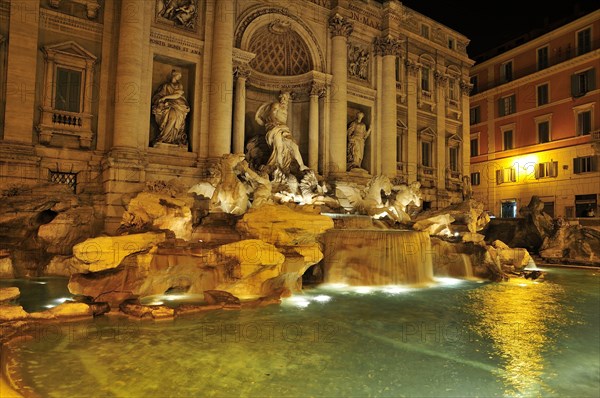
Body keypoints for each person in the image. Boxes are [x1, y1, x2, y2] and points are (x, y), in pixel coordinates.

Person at [255, 92, 308, 175]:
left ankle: (302, 165)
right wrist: (274, 123)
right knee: (278, 148)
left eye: (286, 98)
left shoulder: (285, 108)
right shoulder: (276, 105)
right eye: (283, 98)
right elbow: (272, 114)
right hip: (275, 128)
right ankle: (279, 167)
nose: (284, 100)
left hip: (284, 129)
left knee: (294, 146)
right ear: (280, 99)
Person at [151, 70, 190, 147]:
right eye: (178, 76)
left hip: (178, 106)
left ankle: (174, 138)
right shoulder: (166, 86)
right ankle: (164, 137)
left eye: (180, 77)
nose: (179, 78)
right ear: (174, 75)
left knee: (176, 118)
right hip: (168, 106)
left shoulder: (179, 85)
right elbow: (158, 96)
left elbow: (178, 95)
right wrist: (161, 100)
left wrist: (166, 97)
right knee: (172, 117)